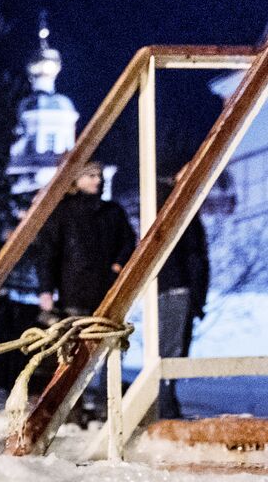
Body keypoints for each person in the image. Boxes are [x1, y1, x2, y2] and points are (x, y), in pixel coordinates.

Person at [34, 161, 135, 423]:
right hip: (73, 291)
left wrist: (117, 265)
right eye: (90, 176)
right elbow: (48, 253)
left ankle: (108, 407)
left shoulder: (112, 212)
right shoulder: (64, 213)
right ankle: (71, 408)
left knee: (111, 350)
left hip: (106, 292)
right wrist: (46, 289)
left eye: (99, 176)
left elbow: (129, 241)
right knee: (73, 353)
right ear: (77, 181)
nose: (97, 181)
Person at [154, 173, 210, 419]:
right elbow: (194, 258)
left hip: (179, 287)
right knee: (172, 348)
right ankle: (164, 404)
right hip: (177, 286)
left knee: (174, 347)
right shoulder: (176, 208)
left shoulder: (182, 210)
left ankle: (166, 402)